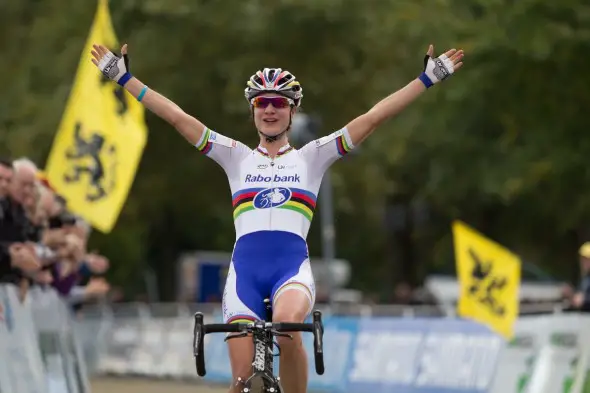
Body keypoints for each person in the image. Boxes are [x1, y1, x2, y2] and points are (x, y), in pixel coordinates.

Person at [91, 42, 464, 393]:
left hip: (290, 270)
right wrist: (124, 78)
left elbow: (372, 118)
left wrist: (426, 79)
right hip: (245, 276)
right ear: (252, 110)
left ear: (293, 110)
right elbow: (176, 117)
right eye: (262, 102)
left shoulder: (311, 157)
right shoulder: (234, 156)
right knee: (241, 382)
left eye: (279, 103)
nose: (270, 109)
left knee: (287, 330)